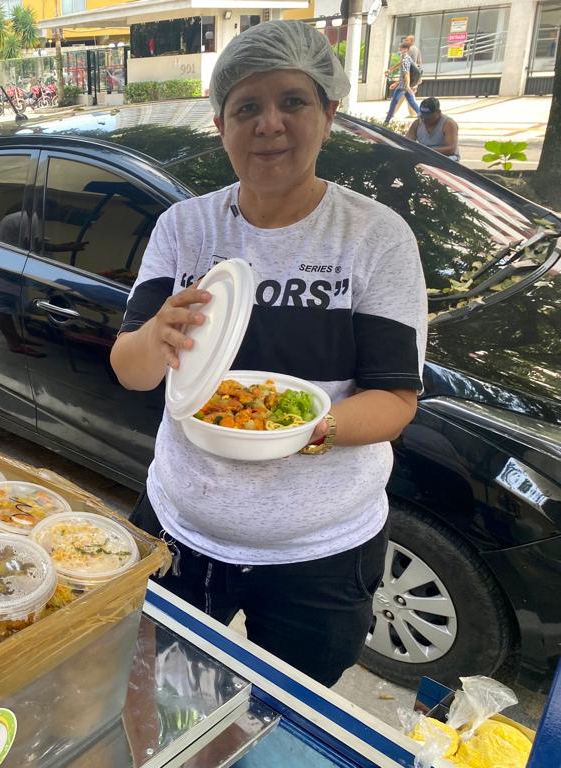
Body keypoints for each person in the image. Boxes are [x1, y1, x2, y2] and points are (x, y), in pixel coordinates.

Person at [110, 21, 427, 687]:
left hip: (322, 553)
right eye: (247, 108)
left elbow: (396, 398)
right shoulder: (185, 228)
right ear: (221, 123)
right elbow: (131, 370)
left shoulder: (374, 237)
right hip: (179, 530)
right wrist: (156, 334)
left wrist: (317, 428)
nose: (270, 125)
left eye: (293, 102)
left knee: (290, 710)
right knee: (157, 687)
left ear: (330, 113)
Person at [407, 97, 460, 161]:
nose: (424, 120)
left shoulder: (448, 124)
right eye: (422, 116)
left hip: (446, 159)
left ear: (438, 112)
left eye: (429, 117)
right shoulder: (417, 123)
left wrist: (426, 151)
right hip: (425, 156)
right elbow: (406, 142)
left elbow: (451, 149)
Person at [385, 35, 423, 118]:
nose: (405, 41)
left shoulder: (410, 50)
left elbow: (406, 68)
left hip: (410, 78)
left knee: (406, 96)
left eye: (407, 40)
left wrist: (392, 72)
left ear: (412, 41)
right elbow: (419, 63)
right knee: (405, 96)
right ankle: (411, 113)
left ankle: (414, 113)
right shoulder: (416, 49)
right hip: (412, 78)